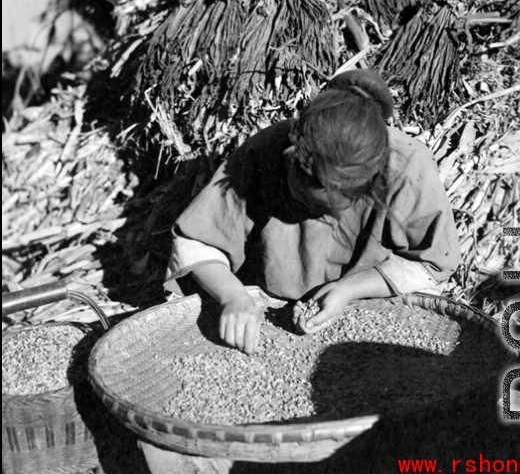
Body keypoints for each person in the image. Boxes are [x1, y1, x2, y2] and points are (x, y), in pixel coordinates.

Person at [164, 69, 461, 353]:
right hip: (266, 303)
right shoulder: (267, 149)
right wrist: (233, 296)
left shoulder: (407, 167)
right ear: (290, 161)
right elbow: (197, 242)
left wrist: (349, 289)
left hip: (369, 299)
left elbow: (432, 264)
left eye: (330, 210)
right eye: (306, 203)